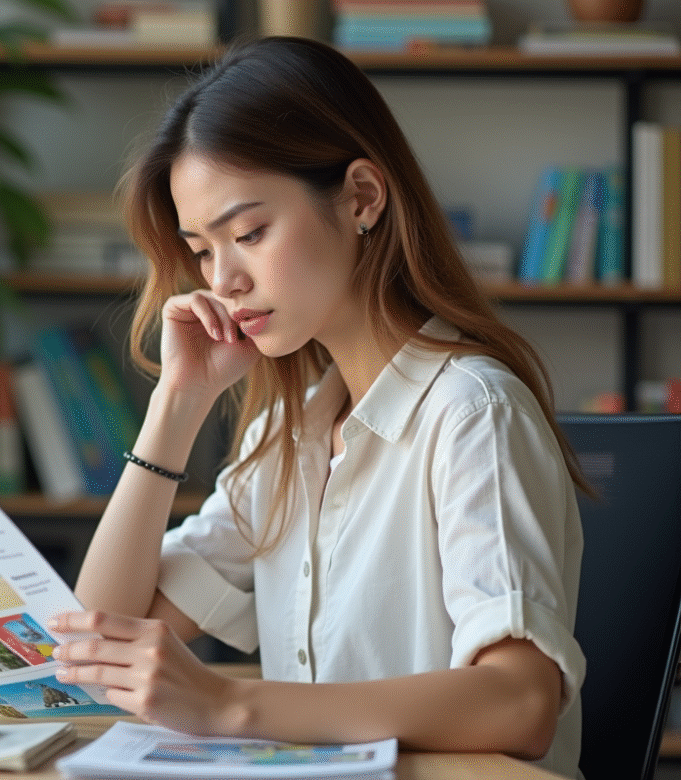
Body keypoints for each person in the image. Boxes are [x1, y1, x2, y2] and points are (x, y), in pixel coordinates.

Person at [46, 36, 588, 778]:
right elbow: (101, 641)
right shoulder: (287, 433)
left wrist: (231, 706)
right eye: (201, 250)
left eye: (249, 233)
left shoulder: (472, 413)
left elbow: (520, 703)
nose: (223, 279)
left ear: (362, 197)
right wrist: (176, 403)